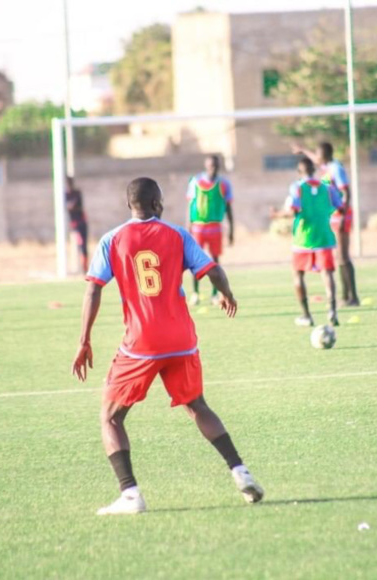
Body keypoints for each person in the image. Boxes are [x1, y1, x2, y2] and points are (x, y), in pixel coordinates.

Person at [72, 177, 263, 516]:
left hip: (141, 343)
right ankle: (240, 471)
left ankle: (130, 495)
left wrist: (84, 339)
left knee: (111, 418)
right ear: (158, 204)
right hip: (181, 340)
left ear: (129, 205)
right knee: (198, 406)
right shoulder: (178, 235)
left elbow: (93, 289)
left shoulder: (112, 239)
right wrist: (227, 295)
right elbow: (213, 270)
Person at [272, 157, 343, 327]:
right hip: (324, 235)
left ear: (299, 172)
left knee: (298, 274)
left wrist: (277, 214)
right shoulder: (327, 188)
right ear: (314, 170)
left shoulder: (297, 187)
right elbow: (340, 206)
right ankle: (332, 310)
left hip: (303, 238)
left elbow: (293, 210)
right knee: (327, 273)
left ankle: (306, 315)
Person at [293, 141, 360, 307]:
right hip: (334, 215)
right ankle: (346, 296)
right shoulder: (327, 167)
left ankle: (353, 297)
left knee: (343, 255)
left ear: (325, 155)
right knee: (339, 257)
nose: (316, 158)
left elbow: (346, 191)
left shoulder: (336, 168)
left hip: (342, 214)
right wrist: (303, 150)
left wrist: (343, 214)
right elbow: (314, 160)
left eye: (318, 154)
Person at [186, 154, 234, 306]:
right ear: (206, 165)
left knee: (215, 261)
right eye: (211, 165)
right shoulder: (195, 181)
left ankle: (215, 294)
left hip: (215, 227)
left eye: (216, 165)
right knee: (195, 261)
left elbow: (228, 208)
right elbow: (190, 205)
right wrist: (188, 225)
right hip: (198, 227)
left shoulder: (224, 184)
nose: (213, 168)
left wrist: (231, 229)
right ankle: (196, 293)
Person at [65, 176, 89, 274]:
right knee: (80, 243)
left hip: (82, 222)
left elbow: (78, 205)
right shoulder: (64, 195)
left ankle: (85, 268)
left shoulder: (77, 193)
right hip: (75, 224)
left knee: (84, 245)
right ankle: (82, 267)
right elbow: (69, 207)